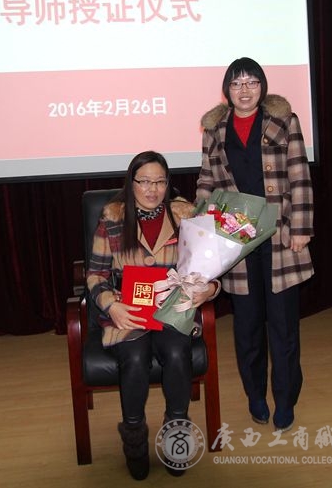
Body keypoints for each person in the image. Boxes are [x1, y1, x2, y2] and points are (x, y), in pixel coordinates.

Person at [196, 57, 314, 433]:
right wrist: (201, 229)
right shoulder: (214, 130)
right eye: (236, 83)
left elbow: (300, 176)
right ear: (227, 91)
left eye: (251, 82)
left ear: (262, 87)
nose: (244, 90)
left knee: (283, 325)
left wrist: (301, 228)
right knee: (247, 327)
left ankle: (285, 399)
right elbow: (206, 180)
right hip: (236, 241)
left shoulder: (284, 121)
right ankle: (255, 396)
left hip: (281, 237)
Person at [87, 150, 220, 480]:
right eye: (144, 181)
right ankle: (134, 440)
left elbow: (207, 268)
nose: (152, 189)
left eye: (160, 182)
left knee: (176, 353)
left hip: (171, 310)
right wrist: (111, 306)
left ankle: (177, 435)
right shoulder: (113, 217)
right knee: (134, 358)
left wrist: (210, 289)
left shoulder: (185, 215)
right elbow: (95, 274)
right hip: (128, 312)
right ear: (131, 183)